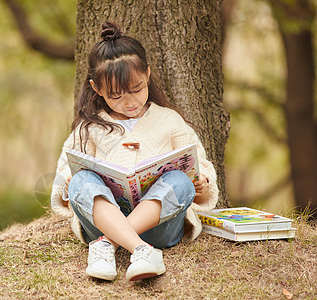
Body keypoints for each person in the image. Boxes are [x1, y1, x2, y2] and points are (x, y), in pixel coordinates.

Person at [50, 22, 219, 281]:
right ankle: (140, 250)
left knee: (180, 180)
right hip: (102, 222)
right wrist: (69, 183)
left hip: (160, 227)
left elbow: (199, 165)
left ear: (147, 75)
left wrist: (201, 185)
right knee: (81, 181)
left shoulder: (169, 120)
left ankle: (110, 245)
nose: (129, 102)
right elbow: (66, 175)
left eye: (137, 89)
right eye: (116, 95)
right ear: (97, 89)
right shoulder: (91, 126)